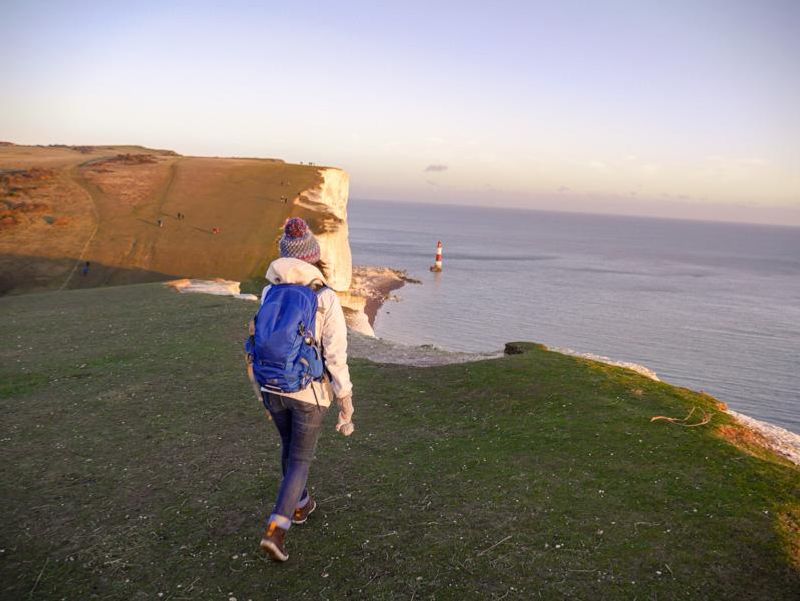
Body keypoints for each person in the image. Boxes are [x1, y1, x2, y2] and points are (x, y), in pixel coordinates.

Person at [255, 217, 354, 562]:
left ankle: (300, 505)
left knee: (288, 447)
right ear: (312, 257)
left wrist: (261, 390)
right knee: (300, 458)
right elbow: (335, 354)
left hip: (272, 385)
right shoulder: (324, 297)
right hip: (307, 391)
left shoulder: (269, 291)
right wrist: (345, 399)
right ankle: (276, 528)